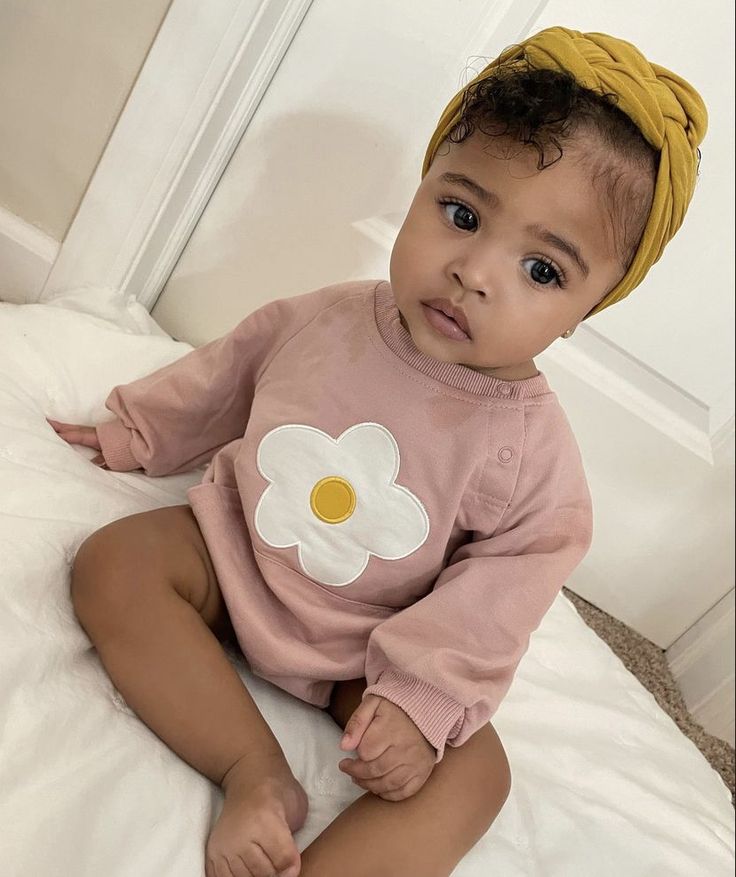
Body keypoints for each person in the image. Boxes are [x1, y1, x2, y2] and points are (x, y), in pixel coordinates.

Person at [46, 25, 706, 877]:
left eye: (542, 271)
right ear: (423, 185)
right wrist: (141, 429)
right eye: (461, 214)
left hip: (368, 647)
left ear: (588, 308)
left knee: (476, 773)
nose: (474, 271)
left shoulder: (532, 457)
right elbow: (231, 372)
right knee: (112, 562)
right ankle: (252, 771)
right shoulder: (333, 316)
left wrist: (419, 698)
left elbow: (498, 595)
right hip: (233, 554)